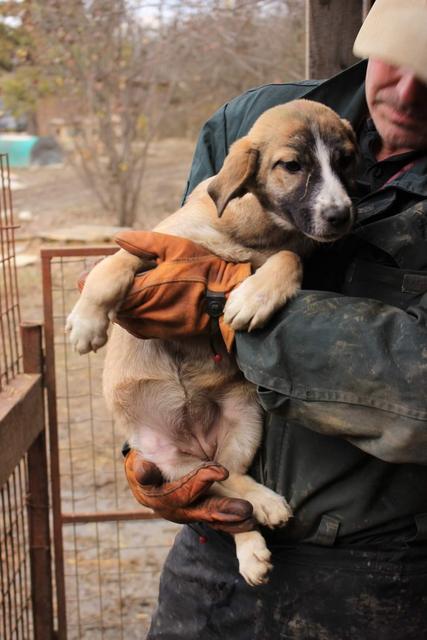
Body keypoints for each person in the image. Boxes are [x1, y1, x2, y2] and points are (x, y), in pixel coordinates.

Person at [118, 1, 427, 638]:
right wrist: (160, 452)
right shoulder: (251, 124)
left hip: (376, 571)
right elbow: (166, 280)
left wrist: (221, 305)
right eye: (398, 58)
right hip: (216, 552)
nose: (407, 89)